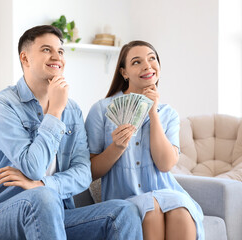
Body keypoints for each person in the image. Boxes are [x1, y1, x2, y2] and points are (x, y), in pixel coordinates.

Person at [0, 25, 143, 240]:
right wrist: (55, 110)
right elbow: (33, 167)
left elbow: (83, 172)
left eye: (60, 51)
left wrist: (43, 185)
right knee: (44, 198)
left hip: (55, 212)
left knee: (123, 212)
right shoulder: (0, 106)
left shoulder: (72, 109)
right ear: (25, 58)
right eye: (46, 50)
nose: (56, 56)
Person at [85, 40, 204, 240]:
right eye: (137, 62)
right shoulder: (102, 110)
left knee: (182, 210)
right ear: (124, 72)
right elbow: (91, 171)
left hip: (166, 190)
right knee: (151, 210)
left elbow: (165, 164)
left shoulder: (168, 114)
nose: (147, 66)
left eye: (152, 59)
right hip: (124, 197)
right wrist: (117, 147)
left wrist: (153, 112)